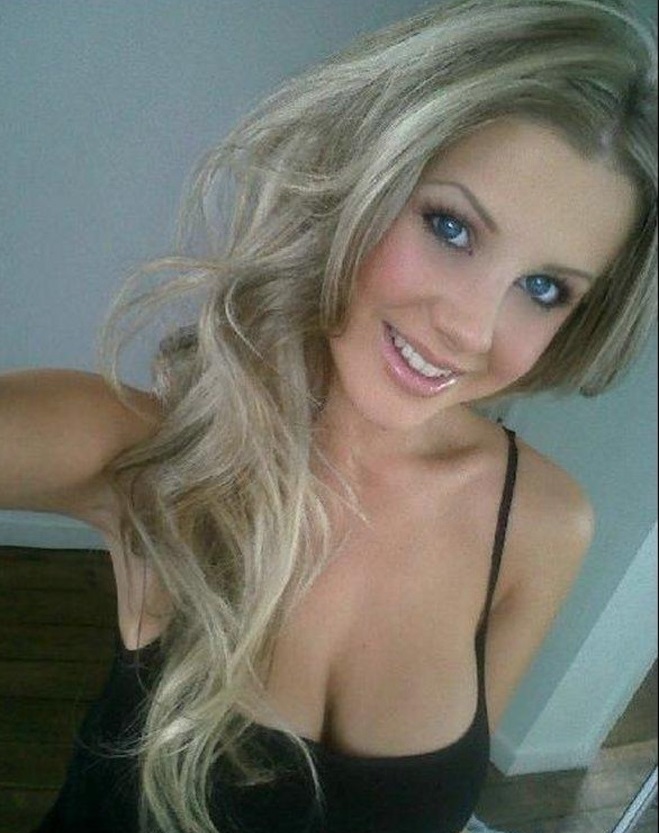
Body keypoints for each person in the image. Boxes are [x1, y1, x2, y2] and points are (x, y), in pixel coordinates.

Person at [1, 0, 656, 831]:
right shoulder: (145, 453)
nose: (471, 329)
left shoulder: (542, 525)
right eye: (449, 226)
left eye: (542, 287)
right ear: (356, 179)